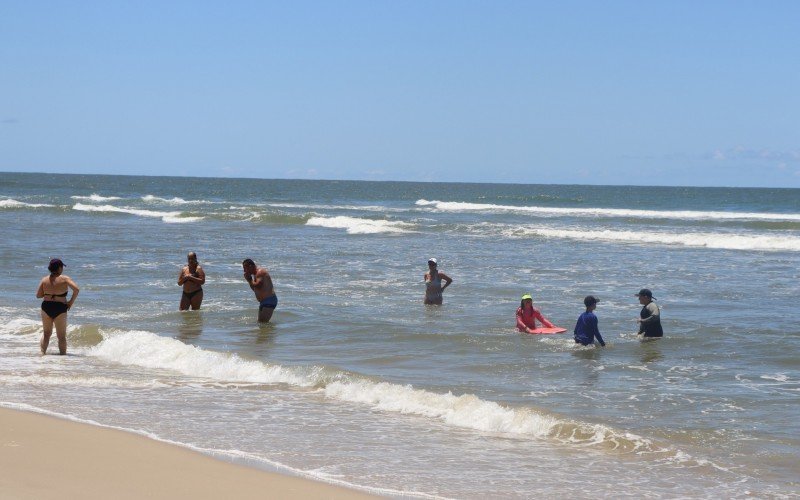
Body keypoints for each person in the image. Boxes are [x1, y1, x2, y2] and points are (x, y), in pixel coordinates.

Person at [35, 258, 79, 355]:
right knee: (61, 336)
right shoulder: (65, 279)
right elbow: (76, 289)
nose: (62, 268)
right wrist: (71, 302)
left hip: (46, 307)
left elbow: (38, 295)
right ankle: (63, 357)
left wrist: (49, 294)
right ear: (59, 268)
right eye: (62, 266)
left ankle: (42, 354)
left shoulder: (44, 279)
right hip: (60, 308)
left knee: (46, 334)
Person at [242, 258, 277, 323]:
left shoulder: (260, 272)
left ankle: (271, 333)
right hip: (263, 302)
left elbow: (258, 285)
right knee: (261, 324)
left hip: (269, 301)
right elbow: (255, 289)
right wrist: (249, 281)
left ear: (250, 266)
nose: (244, 271)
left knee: (263, 323)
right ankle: (270, 333)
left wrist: (250, 280)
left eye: (245, 268)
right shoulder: (255, 275)